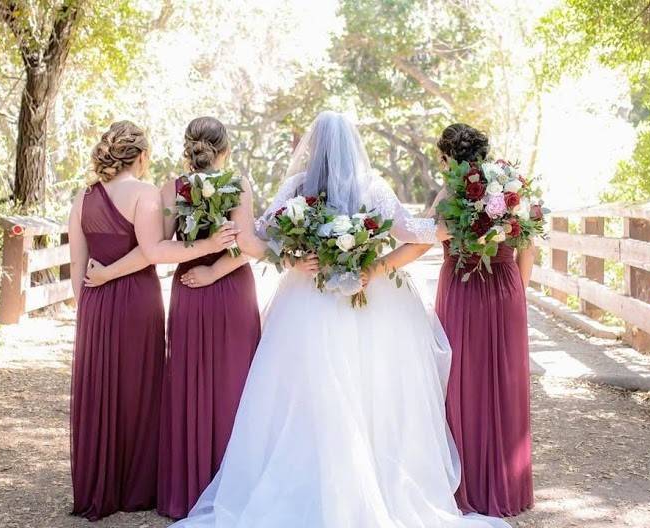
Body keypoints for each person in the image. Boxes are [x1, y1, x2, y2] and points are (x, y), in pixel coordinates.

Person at [171, 111, 509, 528]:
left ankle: (316, 477)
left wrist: (295, 259)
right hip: (370, 296)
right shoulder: (372, 186)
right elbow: (411, 230)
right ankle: (369, 483)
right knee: (373, 390)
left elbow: (262, 236)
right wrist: (460, 223)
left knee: (306, 389)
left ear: (313, 147)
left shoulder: (296, 188)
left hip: (307, 297)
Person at [68, 121, 236, 520]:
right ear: (141, 156)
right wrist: (210, 244)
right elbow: (152, 251)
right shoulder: (144, 193)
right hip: (135, 299)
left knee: (100, 389)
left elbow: (77, 260)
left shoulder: (83, 195)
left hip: (94, 301)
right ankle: (135, 488)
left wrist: (87, 303)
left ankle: (98, 486)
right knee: (139, 390)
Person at [434, 123, 535, 517]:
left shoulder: (449, 194)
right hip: (506, 288)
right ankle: (508, 487)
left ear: (447, 158)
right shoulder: (510, 187)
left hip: (463, 288)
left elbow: (426, 235)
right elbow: (528, 246)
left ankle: (471, 488)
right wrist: (516, 292)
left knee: (463, 381)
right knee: (505, 382)